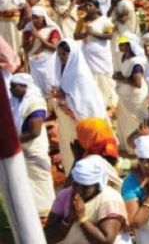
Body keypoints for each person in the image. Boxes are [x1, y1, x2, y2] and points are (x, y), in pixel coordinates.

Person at [52, 40, 108, 174]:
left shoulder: (80, 75)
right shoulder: (61, 71)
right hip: (67, 122)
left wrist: (64, 98)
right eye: (59, 54)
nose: (61, 58)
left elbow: (84, 103)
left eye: (64, 54)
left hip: (83, 121)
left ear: (72, 55)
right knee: (69, 150)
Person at [44, 157, 128, 244]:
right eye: (76, 185)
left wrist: (82, 218)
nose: (78, 191)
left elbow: (105, 241)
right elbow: (48, 237)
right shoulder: (65, 195)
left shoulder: (110, 198)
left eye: (85, 188)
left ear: (98, 185)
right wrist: (68, 219)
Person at [9, 73, 55, 217]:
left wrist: (13, 141)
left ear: (24, 86)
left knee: (40, 178)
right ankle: (34, 210)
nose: (10, 90)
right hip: (21, 144)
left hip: (33, 146)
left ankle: (47, 210)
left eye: (13, 87)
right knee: (27, 179)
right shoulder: (17, 101)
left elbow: (34, 132)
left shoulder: (35, 103)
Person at [113, 36, 149, 154]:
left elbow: (137, 83)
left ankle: (140, 146)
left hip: (134, 96)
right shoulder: (124, 57)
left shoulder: (136, 63)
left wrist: (122, 78)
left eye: (122, 44)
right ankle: (127, 144)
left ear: (129, 45)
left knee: (137, 121)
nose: (119, 46)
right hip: (126, 95)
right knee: (125, 120)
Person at [22, 5, 61, 95]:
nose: (34, 20)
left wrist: (39, 37)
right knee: (36, 89)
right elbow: (26, 49)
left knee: (50, 87)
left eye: (37, 18)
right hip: (33, 63)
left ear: (43, 18)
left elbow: (54, 48)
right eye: (33, 18)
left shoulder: (52, 29)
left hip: (48, 62)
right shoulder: (28, 29)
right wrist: (32, 40)